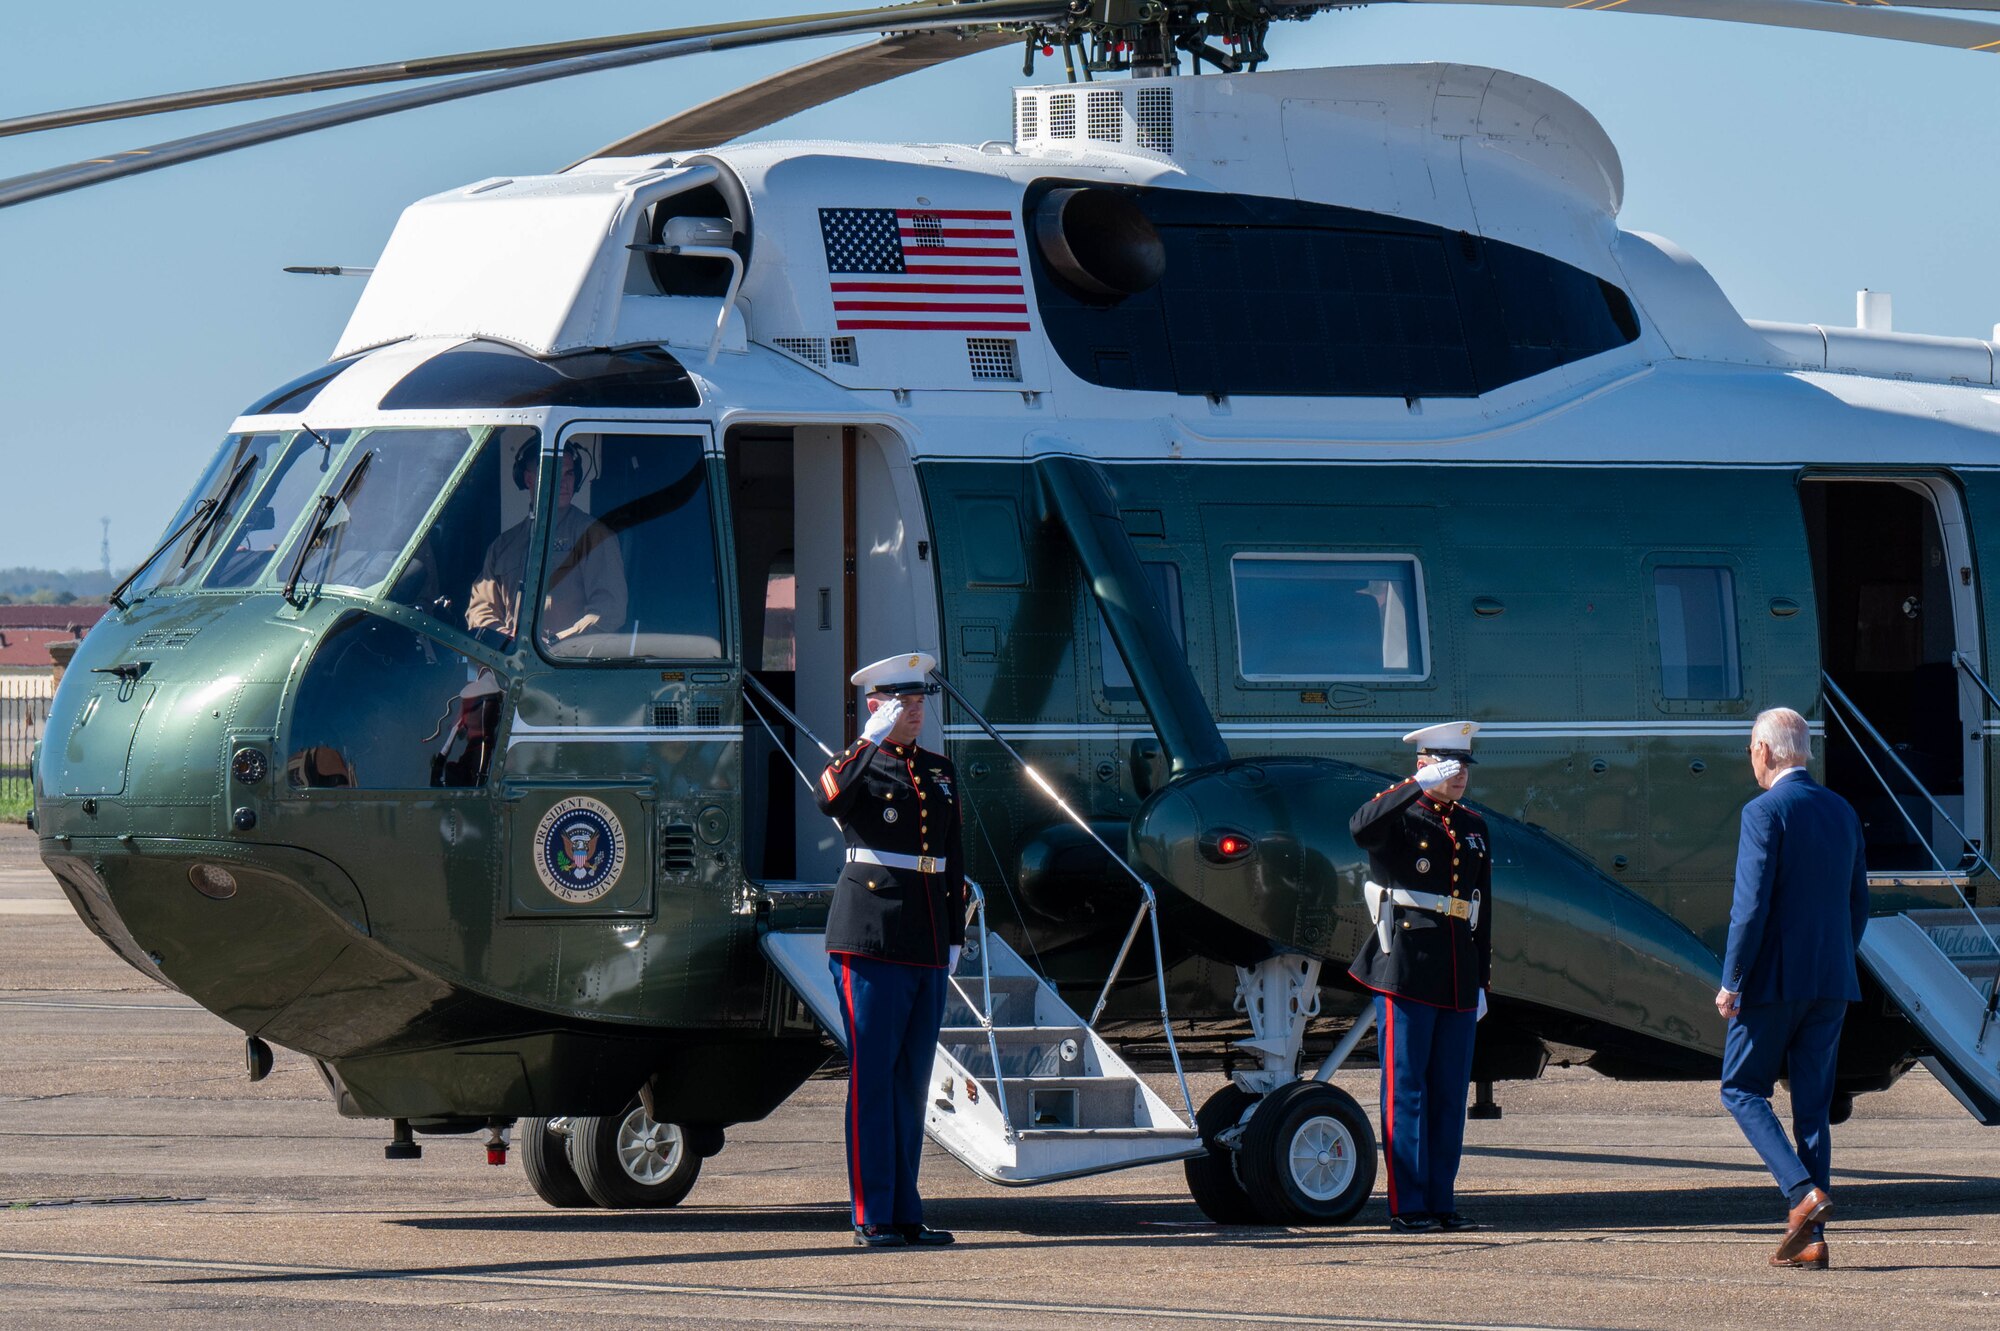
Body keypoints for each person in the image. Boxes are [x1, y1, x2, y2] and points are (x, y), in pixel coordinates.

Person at [814, 651, 966, 1250]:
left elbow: (954, 858)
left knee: (912, 1082)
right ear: (877, 706)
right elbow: (828, 799)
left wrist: (954, 934)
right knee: (873, 1079)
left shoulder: (939, 769)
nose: (916, 712)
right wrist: (863, 743)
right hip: (870, 934)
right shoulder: (860, 765)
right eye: (904, 704)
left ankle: (906, 1212)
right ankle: (871, 1213)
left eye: (921, 702)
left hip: (926, 935)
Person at [1717, 706, 1870, 1270]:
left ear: (1764, 751)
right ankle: (1810, 1238)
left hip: (1774, 979)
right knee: (1812, 1106)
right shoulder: (1841, 810)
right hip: (1832, 980)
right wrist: (1834, 960)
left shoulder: (1764, 811)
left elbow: (1749, 908)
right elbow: (1859, 905)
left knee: (1740, 1088)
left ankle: (1801, 1192)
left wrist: (1732, 980)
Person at [1348, 721, 1493, 1234]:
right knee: (1405, 1090)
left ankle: (1440, 1201)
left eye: (1463, 768)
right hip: (1406, 967)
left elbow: (1480, 907)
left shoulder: (1475, 826)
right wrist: (1416, 785)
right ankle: (1408, 1204)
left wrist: (1481, 981)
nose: (1459, 778)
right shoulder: (1401, 815)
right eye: (1448, 767)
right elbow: (1361, 825)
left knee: (1449, 1093)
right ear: (1425, 763)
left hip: (1457, 972)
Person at [466, 438, 626, 650]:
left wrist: (555, 644)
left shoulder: (594, 536)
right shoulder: (503, 545)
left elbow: (609, 610)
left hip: (567, 668)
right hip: (510, 666)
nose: (565, 482)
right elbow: (480, 609)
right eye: (554, 473)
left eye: (569, 473)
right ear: (529, 480)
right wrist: (502, 636)